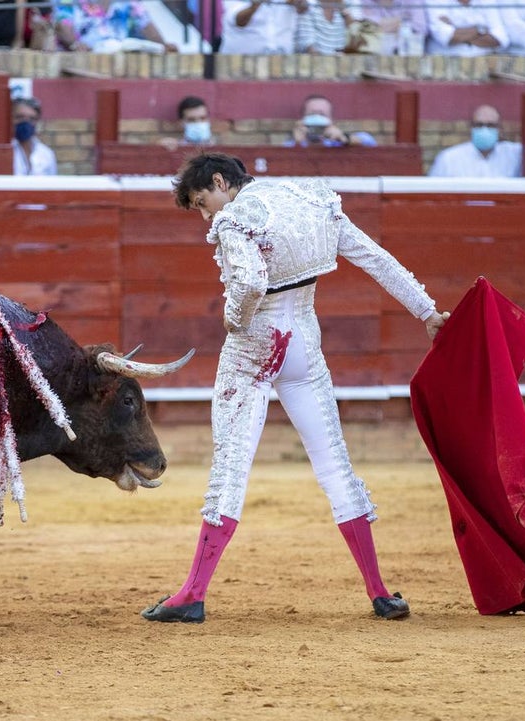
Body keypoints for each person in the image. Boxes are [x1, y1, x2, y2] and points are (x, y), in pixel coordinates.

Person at [141, 152, 448, 624]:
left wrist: (234, 320)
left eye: (204, 202)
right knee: (334, 464)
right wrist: (426, 312)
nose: (208, 216)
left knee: (231, 468)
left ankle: (192, 594)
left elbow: (248, 284)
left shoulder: (236, 218)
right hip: (304, 340)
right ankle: (380, 591)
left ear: (221, 182)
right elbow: (374, 257)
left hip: (254, 348)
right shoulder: (311, 198)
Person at [428, 104, 523, 178]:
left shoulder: (514, 155)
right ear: (471, 128)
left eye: (490, 125)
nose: (484, 130)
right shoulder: (449, 158)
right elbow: (432, 193)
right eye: (479, 125)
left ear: (499, 129)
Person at [53, 0, 178, 53]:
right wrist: (75, 44)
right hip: (81, 61)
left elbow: (147, 26)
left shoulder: (129, 3)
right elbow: (62, 26)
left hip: (118, 61)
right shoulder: (69, 1)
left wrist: (163, 46)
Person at [284, 94, 377, 148]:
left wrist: (344, 138)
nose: (317, 119)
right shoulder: (292, 144)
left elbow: (369, 141)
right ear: (302, 120)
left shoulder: (337, 142)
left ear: (332, 121)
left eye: (322, 115)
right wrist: (298, 144)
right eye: (312, 114)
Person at [218, 0, 306, 55]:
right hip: (240, 64)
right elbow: (239, 21)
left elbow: (305, 8)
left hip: (282, 62)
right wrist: (255, 6)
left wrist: (300, 3)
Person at [425, 0, 508, 56]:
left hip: (484, 65)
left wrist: (457, 30)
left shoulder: (487, 1)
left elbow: (501, 38)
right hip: (444, 67)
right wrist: (482, 31)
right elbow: (447, 36)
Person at [354, 0, 427, 54]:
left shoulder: (413, 1)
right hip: (375, 56)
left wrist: (381, 25)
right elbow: (366, 28)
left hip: (408, 56)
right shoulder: (365, 1)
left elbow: (421, 28)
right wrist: (402, 22)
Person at [295, 0, 361, 53]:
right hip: (315, 63)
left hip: (342, 61)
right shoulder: (309, 5)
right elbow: (308, 45)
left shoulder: (346, 4)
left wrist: (342, 8)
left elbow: (355, 35)